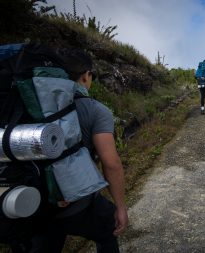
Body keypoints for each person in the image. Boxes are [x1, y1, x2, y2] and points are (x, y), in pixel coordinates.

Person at [29, 49, 129, 253]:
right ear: (86, 75)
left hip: (32, 203)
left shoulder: (31, 104)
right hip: (77, 204)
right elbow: (110, 163)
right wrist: (120, 207)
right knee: (108, 228)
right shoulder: (95, 110)